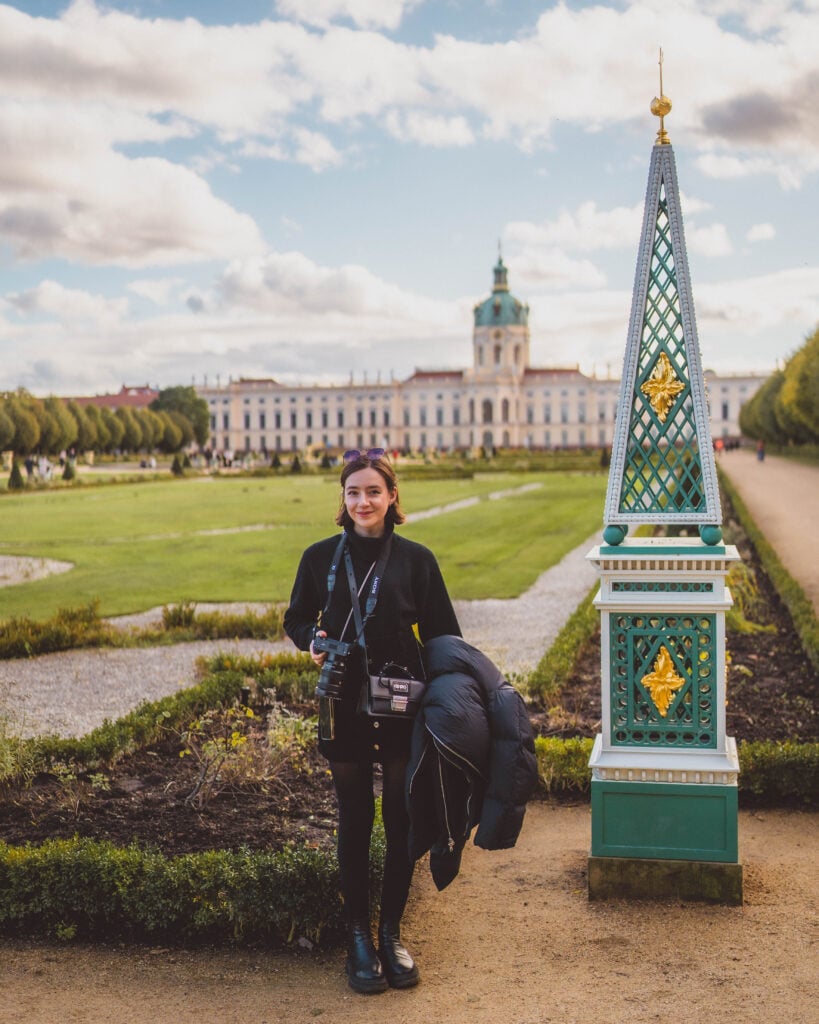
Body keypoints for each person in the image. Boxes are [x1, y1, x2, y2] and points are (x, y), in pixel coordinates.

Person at [284, 448, 461, 995]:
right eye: (353, 492)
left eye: (373, 492)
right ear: (343, 499)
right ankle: (358, 937)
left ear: (391, 498)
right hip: (343, 700)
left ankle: (391, 933)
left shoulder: (416, 560)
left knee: (401, 818)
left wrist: (455, 709)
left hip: (402, 701)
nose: (363, 501)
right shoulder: (318, 557)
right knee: (356, 817)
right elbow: (296, 618)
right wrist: (312, 642)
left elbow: (443, 638)